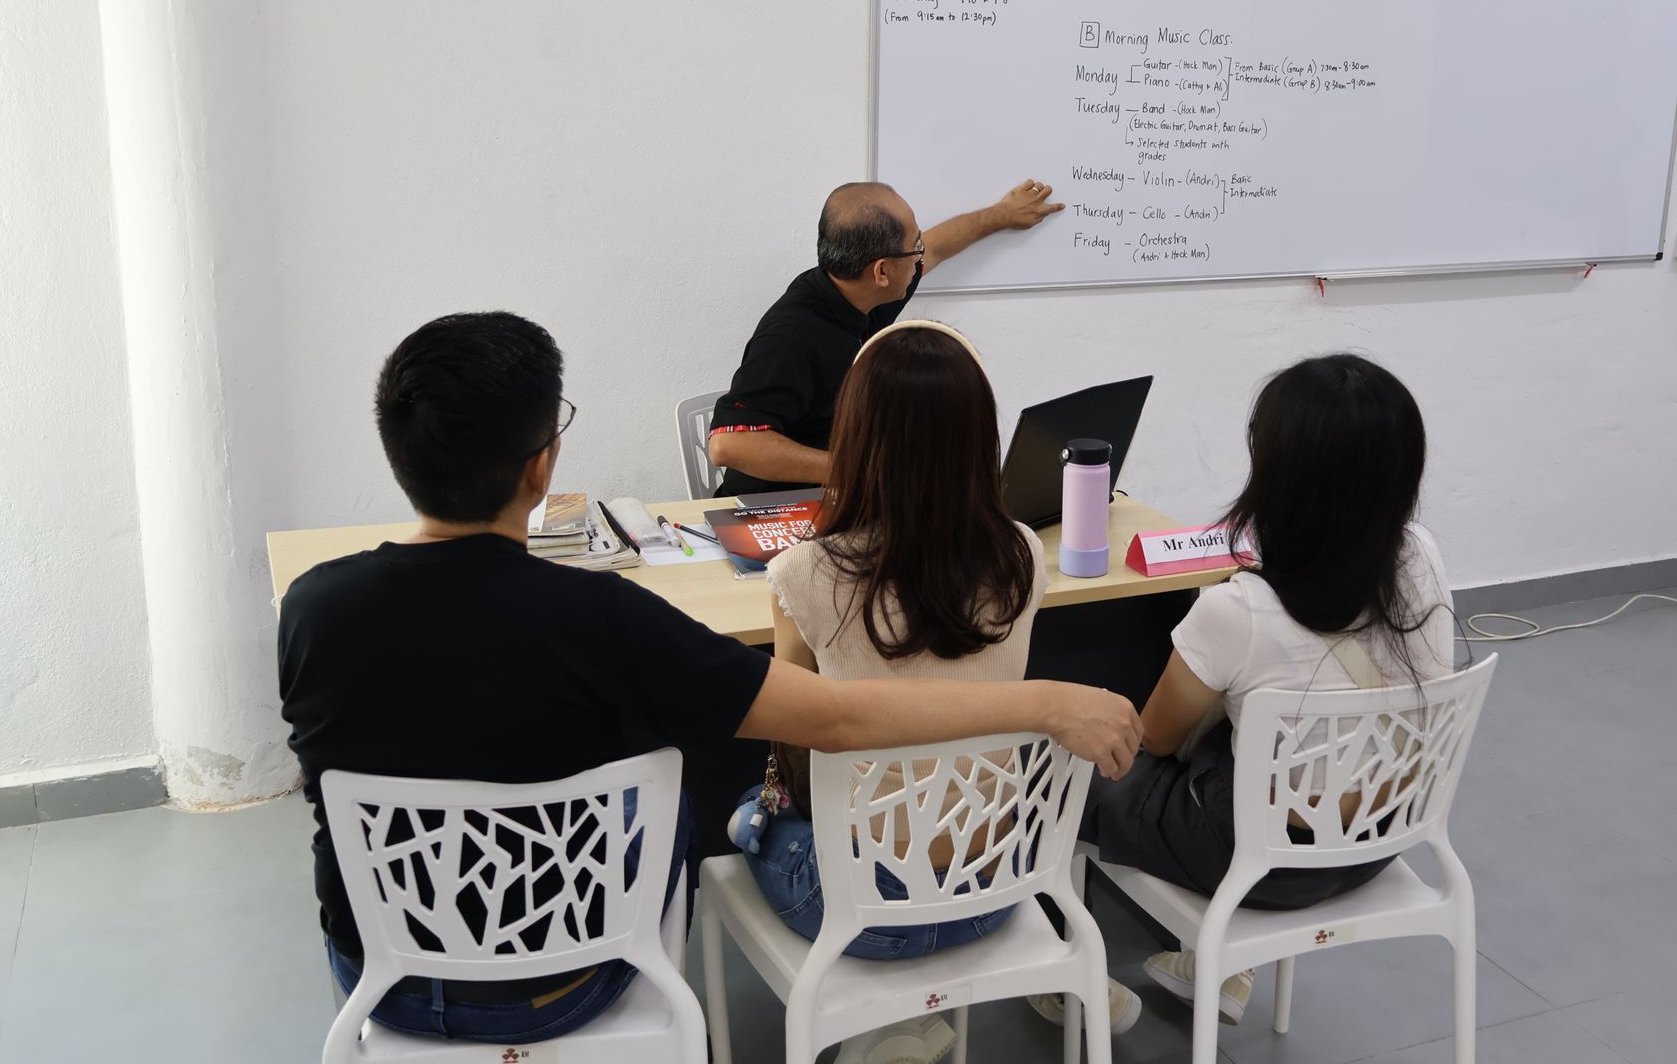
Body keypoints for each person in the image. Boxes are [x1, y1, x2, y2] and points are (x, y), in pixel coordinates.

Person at [278, 312, 1140, 1047]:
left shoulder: (311, 609)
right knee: (672, 805)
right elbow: (830, 719)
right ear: (543, 466)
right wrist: (1049, 702)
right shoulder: (608, 617)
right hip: (574, 978)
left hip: (385, 984)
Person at [735, 320, 1121, 1063]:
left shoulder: (804, 576)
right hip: (997, 889)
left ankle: (893, 1027)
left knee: (750, 814)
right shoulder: (1023, 555)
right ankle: (919, 1019)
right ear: (980, 437)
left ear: (853, 436)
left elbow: (797, 743)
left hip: (863, 913)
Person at [1061, 354, 1456, 1028]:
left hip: (1258, 864)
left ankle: (1063, 981)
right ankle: (1222, 971)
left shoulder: (1239, 610)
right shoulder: (1420, 554)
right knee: (1241, 737)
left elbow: (1153, 737)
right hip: (1379, 842)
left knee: (1071, 769)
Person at [708, 179, 1062, 497]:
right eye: (915, 247)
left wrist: (1001, 215)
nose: (922, 254)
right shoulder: (791, 338)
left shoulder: (860, 290)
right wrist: (859, 471)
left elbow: (938, 246)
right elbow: (729, 444)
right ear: (881, 271)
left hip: (837, 499)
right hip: (772, 510)